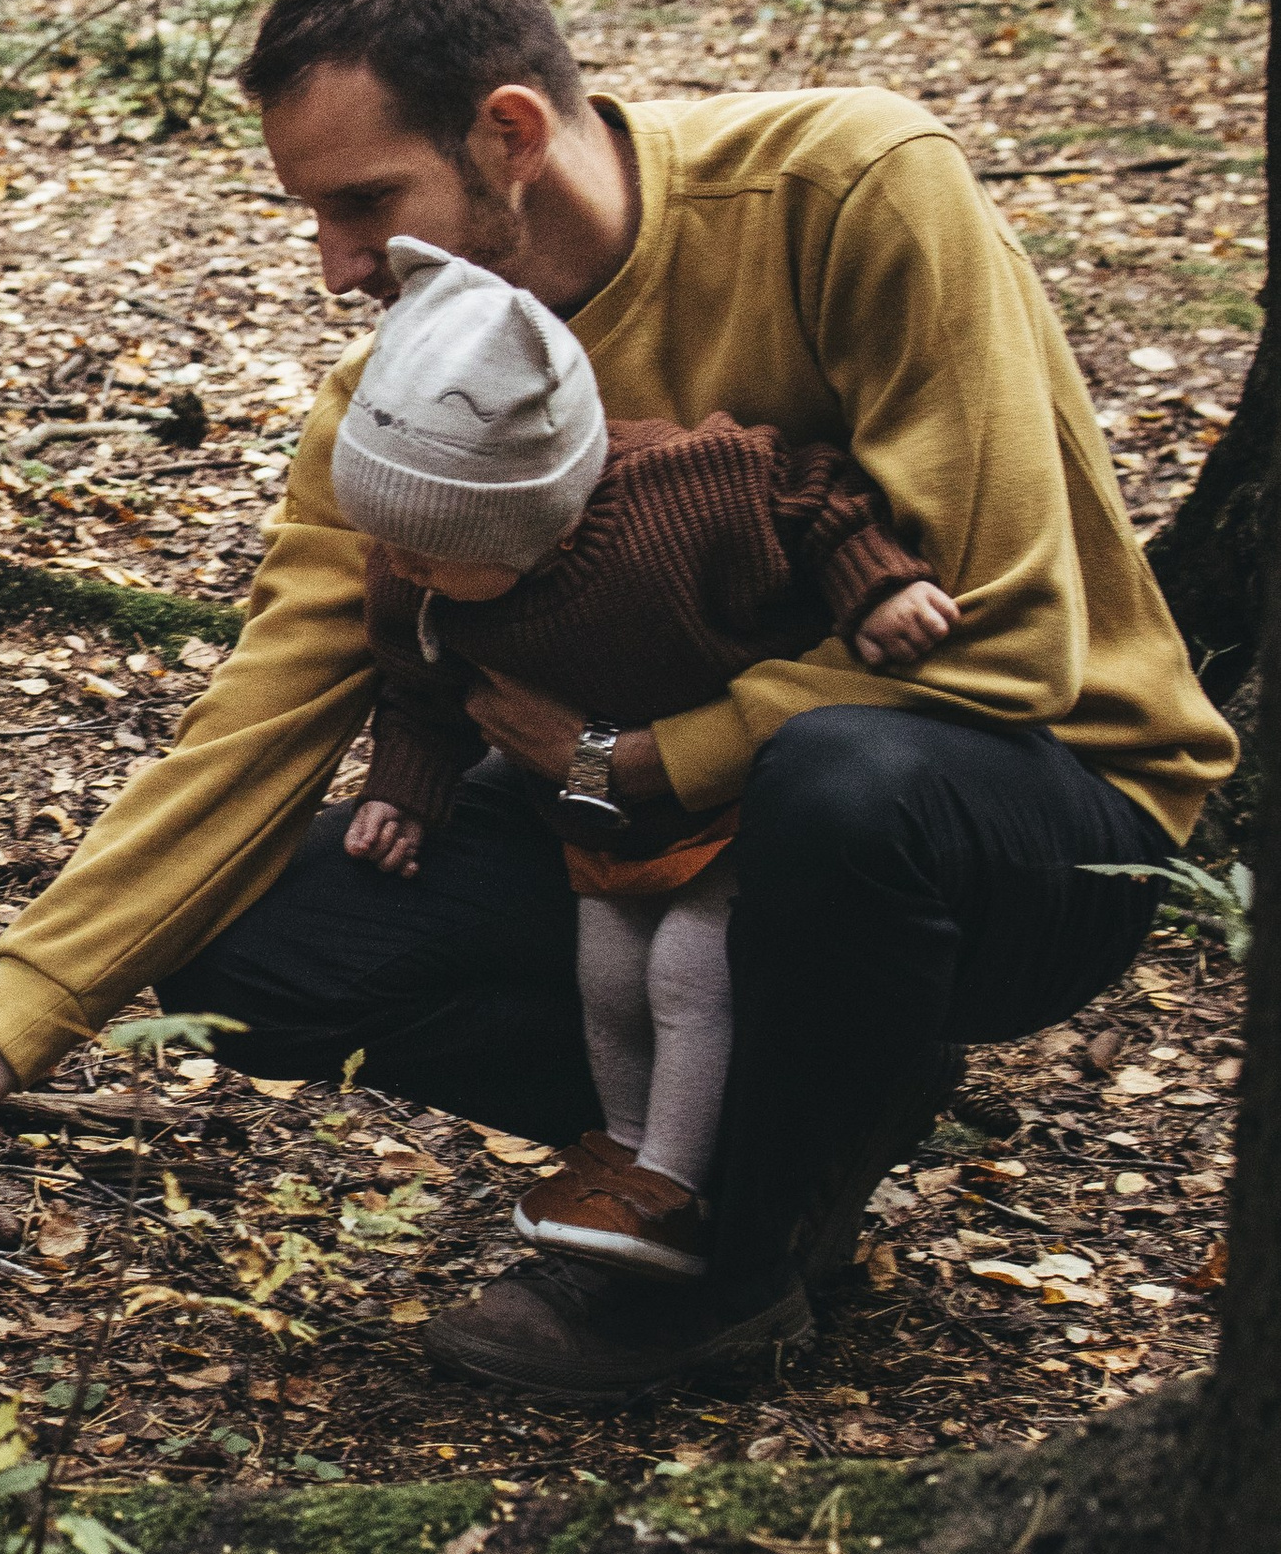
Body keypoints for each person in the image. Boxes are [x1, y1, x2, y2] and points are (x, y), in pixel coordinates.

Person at [0, 0, 1236, 1405]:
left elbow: (1011, 642)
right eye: (310, 213)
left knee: (844, 784)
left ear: (509, 133)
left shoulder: (846, 189)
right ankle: (781, 1115)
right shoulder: (403, 402)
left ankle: (738, 1262)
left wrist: (630, 761)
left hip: (1034, 809)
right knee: (247, 943)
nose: (332, 265)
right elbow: (255, 725)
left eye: (365, 203)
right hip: (647, 838)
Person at [338, 232, 958, 1282]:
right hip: (599, 818)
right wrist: (405, 789)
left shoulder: (688, 496)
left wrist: (876, 584)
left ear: (538, 518)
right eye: (388, 538)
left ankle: (673, 1179)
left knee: (685, 969)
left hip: (744, 796)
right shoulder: (421, 575)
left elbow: (811, 499)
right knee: (609, 973)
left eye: (432, 546)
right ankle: (624, 1149)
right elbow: (421, 685)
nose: (402, 566)